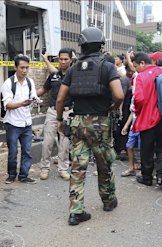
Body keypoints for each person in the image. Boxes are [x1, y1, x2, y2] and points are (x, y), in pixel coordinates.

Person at [56, 27, 124, 225]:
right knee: (104, 164)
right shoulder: (107, 66)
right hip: (100, 123)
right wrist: (114, 107)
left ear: (82, 45)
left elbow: (60, 99)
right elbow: (119, 95)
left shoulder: (73, 68)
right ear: (101, 44)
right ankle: (108, 200)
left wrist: (60, 119)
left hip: (77, 123)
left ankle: (76, 212)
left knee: (77, 167)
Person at [131, 52, 162, 188]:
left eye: (136, 66)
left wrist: (137, 110)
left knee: (147, 149)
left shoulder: (141, 77)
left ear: (142, 63)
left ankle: (147, 177)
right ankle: (161, 177)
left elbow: (139, 99)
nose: (135, 69)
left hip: (147, 118)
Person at [1, 54, 40, 184]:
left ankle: (24, 175)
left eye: (27, 68)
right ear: (15, 67)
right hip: (12, 123)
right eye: (22, 67)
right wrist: (22, 103)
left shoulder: (30, 82)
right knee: (13, 151)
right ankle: (11, 175)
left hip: (26, 122)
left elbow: (33, 95)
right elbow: (7, 104)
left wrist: (35, 100)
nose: (24, 71)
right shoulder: (8, 83)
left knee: (27, 151)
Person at [36, 48, 73, 181]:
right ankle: (44, 168)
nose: (62, 62)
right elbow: (43, 89)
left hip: (68, 112)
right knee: (47, 142)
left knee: (64, 143)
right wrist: (31, 95)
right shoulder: (54, 76)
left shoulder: (74, 76)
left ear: (71, 60)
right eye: (60, 59)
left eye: (65, 59)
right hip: (52, 112)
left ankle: (63, 169)